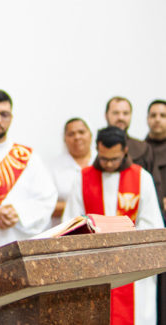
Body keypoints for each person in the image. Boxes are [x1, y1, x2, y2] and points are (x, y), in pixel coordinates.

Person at [63, 126, 164, 325]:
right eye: (104, 158)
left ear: (125, 151)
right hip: (93, 266)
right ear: (97, 150)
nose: (109, 164)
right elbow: (71, 223)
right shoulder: (83, 178)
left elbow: (152, 224)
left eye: (114, 159)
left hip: (132, 268)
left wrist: (123, 241)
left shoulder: (141, 177)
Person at [0, 89, 57, 253]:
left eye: (4, 114)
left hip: (17, 243)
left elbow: (47, 198)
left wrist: (19, 213)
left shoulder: (28, 157)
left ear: (11, 118)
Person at [105, 96, 163, 211]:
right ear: (106, 115)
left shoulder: (143, 148)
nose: (120, 117)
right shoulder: (97, 147)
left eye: (125, 113)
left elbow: (156, 187)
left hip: (137, 212)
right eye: (116, 113)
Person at [49, 118, 96, 218]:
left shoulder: (104, 162)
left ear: (91, 136)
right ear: (64, 139)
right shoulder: (52, 168)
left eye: (81, 132)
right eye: (71, 134)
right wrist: (82, 207)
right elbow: (47, 206)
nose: (77, 137)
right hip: (66, 229)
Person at [145, 99, 166, 325]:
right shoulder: (141, 150)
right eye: (153, 115)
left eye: (163, 115)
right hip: (153, 226)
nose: (157, 120)